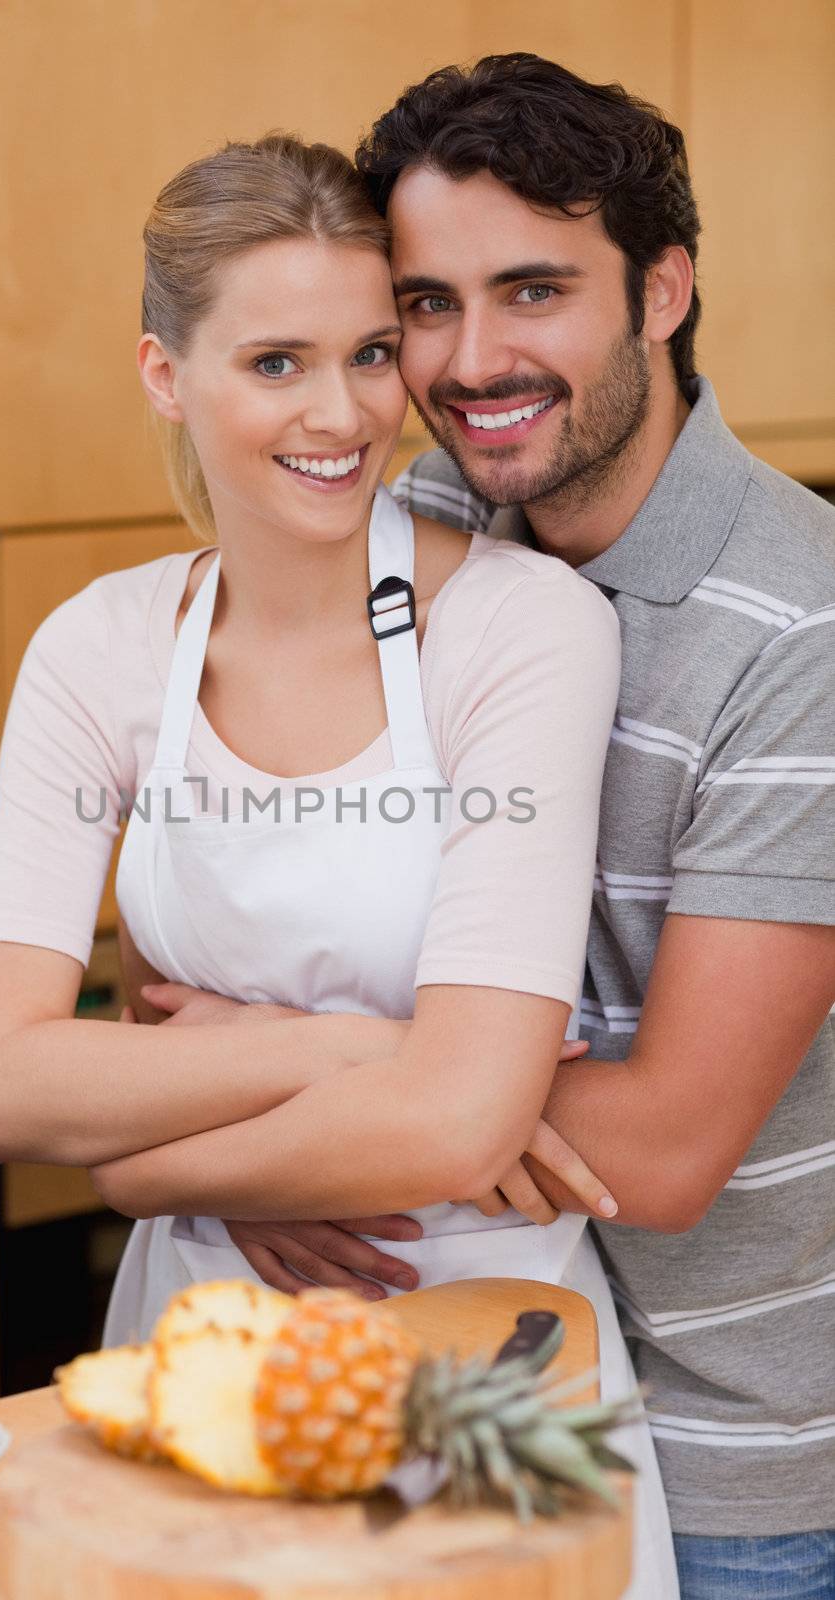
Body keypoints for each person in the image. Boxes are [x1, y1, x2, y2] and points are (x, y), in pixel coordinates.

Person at [0, 134, 678, 1594]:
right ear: (165, 372)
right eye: (273, 363)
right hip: (198, 1342)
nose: (340, 413)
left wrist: (143, 1172)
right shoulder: (100, 649)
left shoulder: (521, 632)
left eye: (364, 351)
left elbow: (465, 1129)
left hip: (486, 1346)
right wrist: (349, 1053)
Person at [345, 50, 832, 1600]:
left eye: (535, 291)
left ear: (664, 290)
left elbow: (673, 1147)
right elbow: (250, 923)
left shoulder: (800, 630)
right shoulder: (414, 529)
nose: (473, 358)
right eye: (428, 302)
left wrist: (275, 1116)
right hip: (451, 1400)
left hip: (727, 1473)